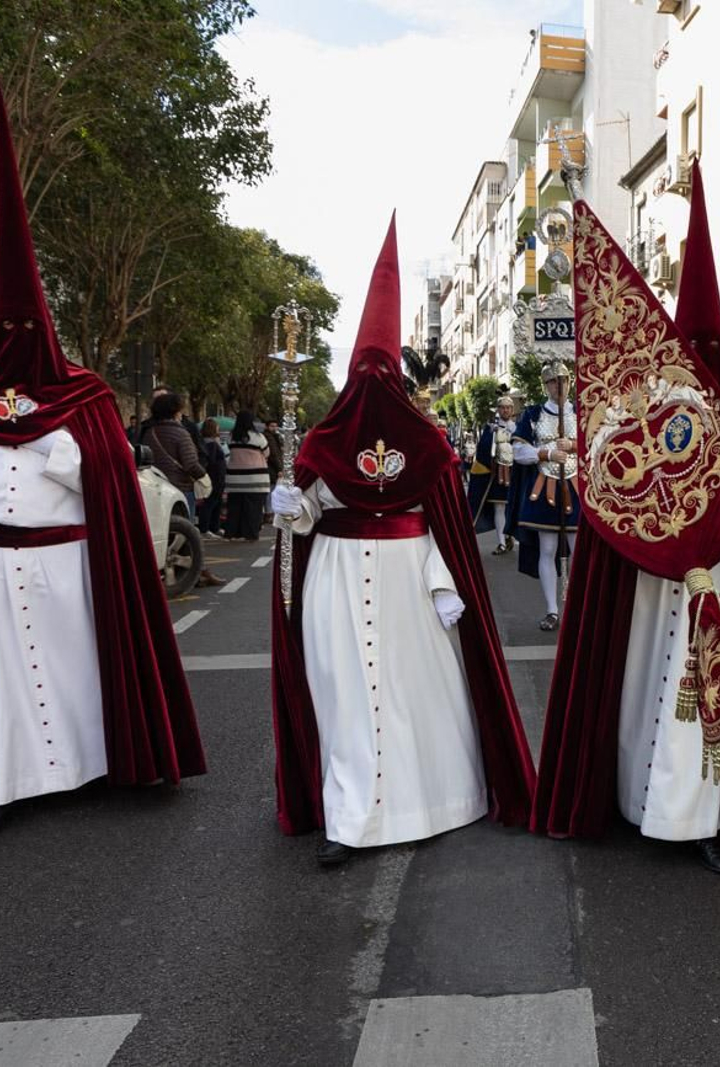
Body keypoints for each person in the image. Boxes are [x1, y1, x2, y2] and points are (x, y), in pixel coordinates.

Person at [0, 85, 204, 839]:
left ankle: (90, 770)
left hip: (65, 559)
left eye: (31, 327)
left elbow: (110, 482)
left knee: (74, 669)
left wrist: (52, 444)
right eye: (8, 326)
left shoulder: (82, 395)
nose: (19, 339)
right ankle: (3, 784)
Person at [532, 159, 720, 874]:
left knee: (700, 703)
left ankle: (693, 818)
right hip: (645, 585)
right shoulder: (646, 407)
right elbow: (612, 489)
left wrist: (716, 530)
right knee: (640, 692)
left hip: (710, 585)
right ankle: (634, 801)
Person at [267, 218, 534, 867]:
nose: (372, 384)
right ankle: (349, 815)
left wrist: (445, 583)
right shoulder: (322, 440)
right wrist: (290, 507)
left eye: (379, 371)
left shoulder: (426, 441)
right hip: (335, 578)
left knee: (418, 692)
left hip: (413, 580)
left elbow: (446, 522)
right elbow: (308, 516)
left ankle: (428, 802)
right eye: (364, 372)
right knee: (345, 695)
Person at [511, 362, 579, 631]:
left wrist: (573, 445)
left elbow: (597, 445)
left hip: (575, 485)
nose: (559, 387)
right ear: (545, 385)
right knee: (547, 549)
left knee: (579, 550)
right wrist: (547, 453)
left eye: (563, 380)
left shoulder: (582, 412)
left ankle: (577, 607)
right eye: (552, 382)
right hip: (544, 484)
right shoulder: (533, 414)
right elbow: (518, 452)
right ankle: (552, 609)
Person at [142, 393, 223, 586]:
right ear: (175, 411)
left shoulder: (149, 433)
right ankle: (197, 571)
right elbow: (190, 463)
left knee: (166, 532)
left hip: (154, 486)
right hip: (180, 487)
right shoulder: (180, 433)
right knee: (187, 533)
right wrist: (204, 476)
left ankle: (183, 571)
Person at [467, 395, 519, 554]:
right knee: (499, 507)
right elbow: (483, 450)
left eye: (508, 407)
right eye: (502, 407)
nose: (506, 410)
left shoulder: (518, 427)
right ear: (498, 409)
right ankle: (502, 542)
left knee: (514, 506)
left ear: (512, 410)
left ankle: (510, 535)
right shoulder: (490, 428)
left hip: (515, 473)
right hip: (496, 475)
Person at [224, 411, 271, 541]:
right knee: (253, 509)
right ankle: (250, 533)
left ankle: (233, 532)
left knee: (235, 508)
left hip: (234, 478)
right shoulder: (258, 437)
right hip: (256, 478)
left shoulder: (231, 437)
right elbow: (267, 453)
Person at [197, 417, 228, 538]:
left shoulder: (206, 443)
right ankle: (206, 528)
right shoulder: (212, 444)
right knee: (211, 502)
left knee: (216, 502)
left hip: (215, 476)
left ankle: (215, 526)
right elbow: (213, 461)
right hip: (215, 477)